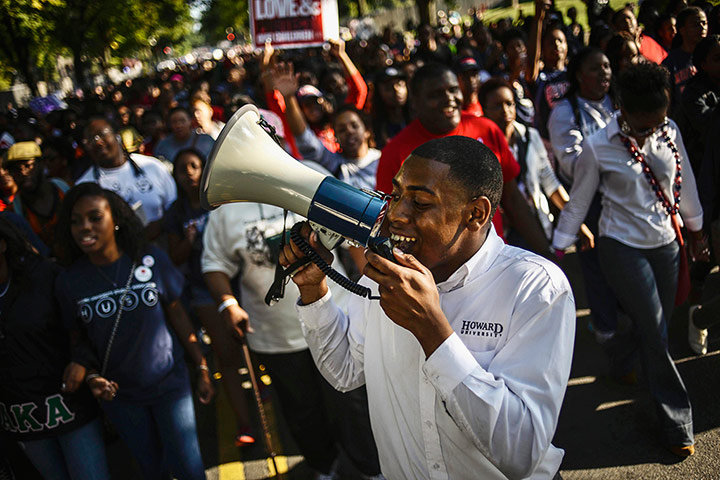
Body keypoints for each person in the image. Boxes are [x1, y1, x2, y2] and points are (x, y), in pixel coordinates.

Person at [281, 135, 576, 479]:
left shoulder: (535, 287)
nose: (395, 215)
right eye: (396, 196)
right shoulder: (385, 274)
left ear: (476, 214)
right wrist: (314, 289)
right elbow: (345, 370)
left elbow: (520, 454)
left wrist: (432, 329)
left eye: (420, 203)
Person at [552, 62, 708, 457]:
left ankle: (621, 359)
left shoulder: (670, 131)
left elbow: (684, 181)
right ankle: (677, 422)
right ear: (622, 109)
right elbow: (580, 200)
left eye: (657, 122)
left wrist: (696, 231)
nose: (650, 131)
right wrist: (557, 247)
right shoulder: (598, 145)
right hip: (621, 246)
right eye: (642, 126)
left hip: (667, 245)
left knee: (653, 321)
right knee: (657, 332)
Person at [202, 201, 382, 480]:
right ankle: (325, 468)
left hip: (338, 322)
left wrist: (374, 288)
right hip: (275, 337)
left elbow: (354, 238)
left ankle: (372, 470)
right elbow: (214, 264)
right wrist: (229, 305)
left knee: (354, 408)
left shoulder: (311, 175)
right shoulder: (227, 209)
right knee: (303, 413)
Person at [55, 183, 214, 480]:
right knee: (152, 470)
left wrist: (202, 366)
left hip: (170, 386)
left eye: (94, 217)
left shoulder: (150, 258)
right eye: (76, 221)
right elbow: (77, 340)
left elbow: (177, 313)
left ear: (115, 220)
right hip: (121, 398)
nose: (84, 227)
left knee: (189, 469)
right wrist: (91, 377)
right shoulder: (69, 281)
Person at [375, 63, 553, 258]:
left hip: (491, 261)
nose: (449, 99)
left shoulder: (487, 130)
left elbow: (511, 197)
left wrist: (545, 252)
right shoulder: (395, 153)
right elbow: (389, 221)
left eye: (453, 90)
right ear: (415, 102)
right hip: (433, 275)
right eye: (436, 94)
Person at [0, 217, 110, 480]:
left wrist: (82, 362)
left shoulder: (45, 277)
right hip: (22, 420)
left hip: (69, 409)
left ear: (2, 245)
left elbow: (86, 325)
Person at [164, 148, 255, 446]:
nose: (189, 173)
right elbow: (174, 257)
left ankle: (260, 393)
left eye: (195, 166)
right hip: (203, 291)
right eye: (182, 169)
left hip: (240, 283)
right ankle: (245, 423)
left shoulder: (224, 200)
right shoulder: (176, 213)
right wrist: (189, 243)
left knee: (253, 349)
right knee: (227, 356)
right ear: (176, 177)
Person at [548, 47, 621, 344]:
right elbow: (573, 163)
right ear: (579, 75)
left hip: (624, 201)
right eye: (595, 68)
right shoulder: (565, 112)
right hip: (591, 205)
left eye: (606, 66)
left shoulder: (618, 104)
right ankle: (607, 332)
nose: (604, 72)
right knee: (597, 270)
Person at [479, 78, 593, 247]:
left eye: (509, 104)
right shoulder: (480, 145)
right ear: (484, 110)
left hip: (537, 221)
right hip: (503, 233)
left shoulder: (530, 136)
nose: (505, 110)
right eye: (497, 105)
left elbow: (550, 183)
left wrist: (575, 221)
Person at [76, 117, 177, 241]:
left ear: (117, 136)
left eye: (102, 135)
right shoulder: (85, 186)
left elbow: (175, 206)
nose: (98, 142)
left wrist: (160, 224)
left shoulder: (152, 167)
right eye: (91, 139)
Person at [3, 141, 69, 250]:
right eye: (16, 170)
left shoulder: (63, 189)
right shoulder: (15, 211)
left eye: (28, 166)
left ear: (41, 165)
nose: (23, 172)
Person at [663, 7, 708, 115]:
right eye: (695, 24)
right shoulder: (671, 62)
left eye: (704, 23)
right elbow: (666, 102)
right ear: (682, 30)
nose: (702, 27)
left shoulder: (714, 56)